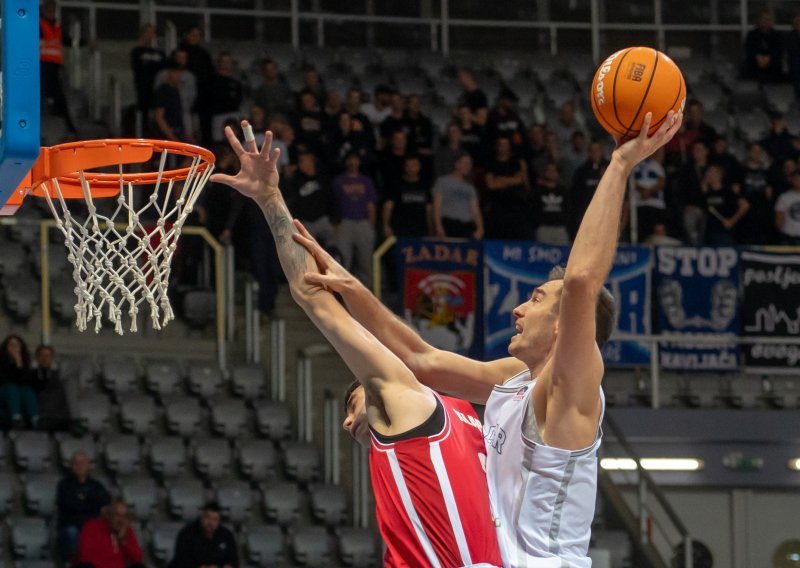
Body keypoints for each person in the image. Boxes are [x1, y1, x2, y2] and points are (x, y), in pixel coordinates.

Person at [291, 110, 683, 567]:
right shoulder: (516, 377)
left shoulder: (572, 386)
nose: (518, 309)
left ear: (566, 328)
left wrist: (620, 165)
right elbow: (422, 359)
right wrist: (354, 289)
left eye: (535, 300)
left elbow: (580, 281)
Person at [211, 121, 503, 568]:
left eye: (354, 403)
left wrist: (271, 200)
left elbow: (312, 296)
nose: (348, 423)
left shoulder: (406, 400)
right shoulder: (473, 421)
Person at [331, 152, 378, 285]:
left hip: (363, 222)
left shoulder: (366, 181)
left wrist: (371, 225)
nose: (352, 163)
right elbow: (333, 202)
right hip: (345, 222)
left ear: (359, 162)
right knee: (343, 260)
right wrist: (336, 223)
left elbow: (371, 204)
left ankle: (367, 292)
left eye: (355, 160)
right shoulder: (338, 181)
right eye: (350, 160)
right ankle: (341, 294)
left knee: (365, 261)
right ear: (346, 162)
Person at [58, 450, 111, 563]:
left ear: (88, 465)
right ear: (71, 466)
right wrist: (92, 503)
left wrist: (85, 500)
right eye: (76, 463)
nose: (79, 466)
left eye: (82, 463)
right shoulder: (64, 485)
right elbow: (69, 507)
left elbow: (106, 503)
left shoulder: (96, 485)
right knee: (72, 533)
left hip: (93, 526)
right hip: (73, 525)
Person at [283, 152, 338, 245]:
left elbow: (331, 198)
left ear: (311, 161)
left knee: (335, 243)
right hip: (305, 222)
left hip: (322, 219)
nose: (299, 164)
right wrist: (288, 176)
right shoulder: (296, 179)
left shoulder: (322, 177)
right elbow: (290, 199)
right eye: (299, 161)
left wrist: (336, 219)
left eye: (302, 161)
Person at [39, 0, 76, 133]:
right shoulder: (38, 24)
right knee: (42, 96)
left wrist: (85, 42)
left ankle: (69, 129)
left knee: (58, 97)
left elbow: (67, 41)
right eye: (49, 10)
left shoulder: (56, 26)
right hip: (41, 66)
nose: (52, 13)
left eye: (53, 10)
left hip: (54, 67)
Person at [483, 137, 531, 240]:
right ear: (497, 147)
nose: (503, 147)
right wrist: (511, 180)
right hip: (497, 206)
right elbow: (491, 184)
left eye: (506, 145)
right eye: (501, 144)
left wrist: (500, 179)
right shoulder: (491, 163)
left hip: (515, 206)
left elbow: (519, 180)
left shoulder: (516, 163)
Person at [73, 499, 143, 568]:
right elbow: (84, 557)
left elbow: (137, 559)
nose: (121, 520)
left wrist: (123, 541)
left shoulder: (126, 530)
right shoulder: (92, 526)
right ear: (108, 515)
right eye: (117, 515)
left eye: (124, 516)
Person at [432, 152, 484, 239]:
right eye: (466, 163)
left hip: (466, 226)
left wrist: (480, 228)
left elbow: (475, 210)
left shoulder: (470, 187)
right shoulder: (442, 181)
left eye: (470, 164)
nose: (468, 166)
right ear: (457, 164)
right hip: (448, 223)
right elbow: (437, 206)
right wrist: (438, 225)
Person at [170, 502, 238, 568]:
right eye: (207, 518)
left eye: (215, 519)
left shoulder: (226, 535)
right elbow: (181, 560)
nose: (210, 523)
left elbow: (233, 560)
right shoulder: (187, 534)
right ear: (201, 517)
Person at [383, 155, 432, 238]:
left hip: (420, 229)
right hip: (400, 229)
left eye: (414, 165)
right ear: (405, 167)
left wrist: (431, 228)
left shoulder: (425, 185)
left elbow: (429, 209)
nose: (411, 168)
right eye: (409, 166)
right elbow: (388, 206)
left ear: (419, 167)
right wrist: (385, 225)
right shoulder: (396, 184)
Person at [567, 140, 608, 240]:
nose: (595, 153)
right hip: (587, 214)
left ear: (602, 151)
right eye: (592, 150)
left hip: (607, 214)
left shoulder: (610, 168)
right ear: (588, 153)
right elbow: (575, 196)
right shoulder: (581, 171)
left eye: (597, 150)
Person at [701, 164, 750, 245]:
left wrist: (732, 220)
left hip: (724, 234)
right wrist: (703, 189)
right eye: (708, 172)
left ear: (720, 175)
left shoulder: (728, 191)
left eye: (712, 172)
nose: (709, 174)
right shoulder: (707, 194)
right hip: (708, 234)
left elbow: (745, 205)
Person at [0, 334, 40, 428]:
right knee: (11, 388)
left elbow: (25, 382)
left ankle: (35, 419)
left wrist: (19, 363)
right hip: (4, 392)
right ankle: (16, 418)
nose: (14, 347)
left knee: (27, 390)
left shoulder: (26, 363)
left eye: (17, 345)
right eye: (11, 345)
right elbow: (5, 380)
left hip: (20, 394)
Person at [205, 52, 244, 142]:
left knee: (236, 141)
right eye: (223, 61)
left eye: (228, 61)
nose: (226, 64)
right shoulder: (211, 81)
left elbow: (239, 99)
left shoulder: (236, 82)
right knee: (219, 143)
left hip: (234, 114)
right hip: (218, 116)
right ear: (219, 63)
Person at [130, 23, 166, 119]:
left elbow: (163, 68)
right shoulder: (137, 51)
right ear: (142, 34)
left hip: (158, 88)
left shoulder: (160, 53)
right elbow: (140, 68)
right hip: (144, 88)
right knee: (144, 114)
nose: (150, 35)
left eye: (152, 32)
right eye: (147, 32)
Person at [632, 146, 667, 242]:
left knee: (658, 229)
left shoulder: (656, 165)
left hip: (656, 204)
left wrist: (649, 192)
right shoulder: (633, 166)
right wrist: (643, 191)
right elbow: (631, 182)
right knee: (642, 232)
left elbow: (662, 182)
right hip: (639, 203)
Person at [32, 344, 70, 431]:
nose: (44, 358)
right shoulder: (30, 375)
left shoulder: (59, 377)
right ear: (37, 358)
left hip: (56, 416)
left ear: (52, 358)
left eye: (48, 355)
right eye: (42, 355)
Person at [531, 162, 570, 244]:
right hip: (543, 228)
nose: (551, 173)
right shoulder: (537, 191)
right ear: (544, 173)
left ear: (558, 174)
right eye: (549, 170)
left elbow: (568, 210)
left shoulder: (563, 191)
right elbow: (533, 210)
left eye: (554, 170)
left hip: (560, 228)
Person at [744, 8, 784, 83]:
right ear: (759, 20)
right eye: (763, 18)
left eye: (767, 19)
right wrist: (757, 57)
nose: (765, 21)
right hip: (754, 69)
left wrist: (768, 58)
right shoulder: (751, 35)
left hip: (773, 70)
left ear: (771, 21)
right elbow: (749, 49)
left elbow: (779, 51)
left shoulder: (777, 35)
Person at [775, 169, 800, 245]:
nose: (798, 181)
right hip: (789, 238)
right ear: (791, 180)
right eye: (796, 178)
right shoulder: (784, 197)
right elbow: (779, 218)